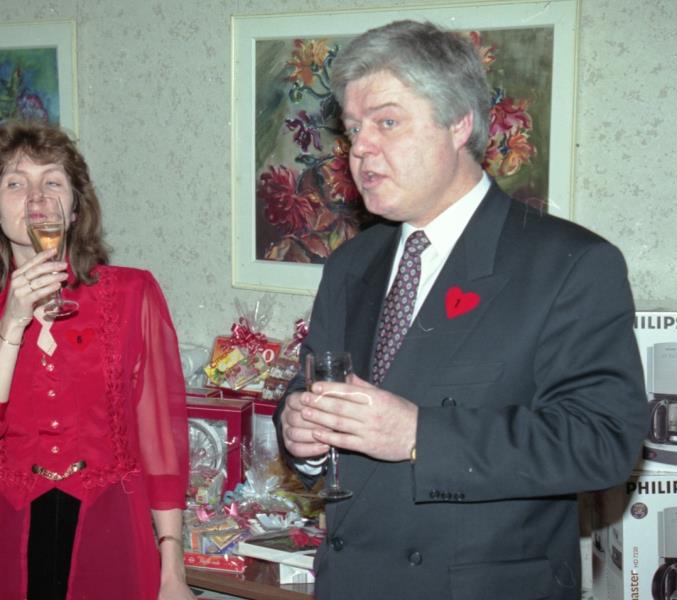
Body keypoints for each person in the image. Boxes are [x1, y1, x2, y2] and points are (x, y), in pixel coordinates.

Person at [275, 20, 647, 599]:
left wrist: (419, 434)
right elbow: (310, 389)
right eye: (353, 129)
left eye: (387, 122)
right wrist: (297, 431)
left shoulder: (569, 264)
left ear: (459, 124)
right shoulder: (350, 264)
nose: (360, 148)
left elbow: (602, 443)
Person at [0, 121, 195, 600]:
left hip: (112, 531)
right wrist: (12, 322)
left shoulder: (134, 294)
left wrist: (172, 566)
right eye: (16, 183)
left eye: (52, 182)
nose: (36, 197)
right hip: (3, 537)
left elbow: (160, 442)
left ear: (73, 209)